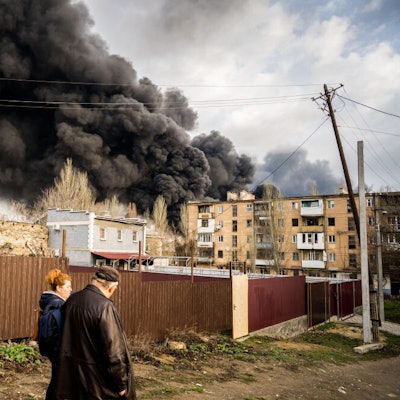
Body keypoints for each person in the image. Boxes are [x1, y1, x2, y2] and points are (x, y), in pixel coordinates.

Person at [56, 266, 136, 400]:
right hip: (98, 386)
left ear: (93, 280)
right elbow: (113, 352)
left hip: (73, 381)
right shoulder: (105, 307)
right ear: (112, 288)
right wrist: (121, 386)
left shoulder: (71, 301)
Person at [38, 268, 72, 400]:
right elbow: (55, 331)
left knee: (57, 380)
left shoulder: (51, 302)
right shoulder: (57, 305)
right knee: (58, 383)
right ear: (58, 288)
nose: (70, 289)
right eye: (68, 287)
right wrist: (61, 350)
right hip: (59, 350)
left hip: (55, 351)